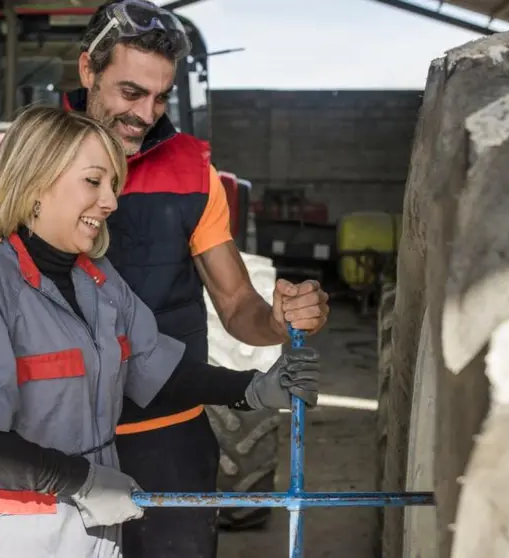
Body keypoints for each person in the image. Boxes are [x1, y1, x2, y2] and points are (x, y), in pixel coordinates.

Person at [0, 106, 321, 558]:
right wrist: (80, 480)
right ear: (36, 183)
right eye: (93, 182)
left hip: (93, 532)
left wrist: (254, 389)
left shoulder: (98, 280)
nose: (111, 201)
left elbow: (160, 373)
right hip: (10, 533)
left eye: (112, 185)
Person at [64, 2, 332, 556]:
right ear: (88, 69)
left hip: (171, 439)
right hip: (60, 446)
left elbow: (237, 305)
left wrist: (280, 320)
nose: (146, 113)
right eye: (130, 93)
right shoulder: (33, 160)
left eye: (160, 97)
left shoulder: (192, 171)